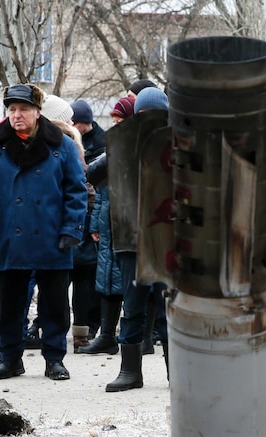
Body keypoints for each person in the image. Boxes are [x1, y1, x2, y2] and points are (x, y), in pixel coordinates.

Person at [0, 83, 87, 381]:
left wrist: (72, 228)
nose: (16, 115)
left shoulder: (61, 144)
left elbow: (76, 190)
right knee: (10, 303)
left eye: (23, 109)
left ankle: (54, 359)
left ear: (37, 112)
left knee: (56, 303)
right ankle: (10, 359)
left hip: (53, 236)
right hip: (11, 235)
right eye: (11, 109)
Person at [103, 87, 169, 392]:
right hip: (130, 239)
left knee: (170, 309)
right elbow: (90, 173)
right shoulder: (121, 145)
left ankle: (178, 374)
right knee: (132, 307)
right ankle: (130, 371)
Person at [41, 94, 99, 352]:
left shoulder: (49, 140)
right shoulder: (71, 141)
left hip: (52, 222)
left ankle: (51, 331)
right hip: (77, 220)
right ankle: (80, 335)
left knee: (56, 282)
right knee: (82, 278)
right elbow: (83, 184)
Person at [78, 96, 135, 356]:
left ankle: (139, 337)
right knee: (106, 280)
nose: (115, 126)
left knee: (134, 284)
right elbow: (98, 189)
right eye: (113, 121)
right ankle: (107, 335)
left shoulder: (137, 147)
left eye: (120, 121)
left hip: (130, 225)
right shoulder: (113, 149)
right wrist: (95, 224)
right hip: (109, 225)